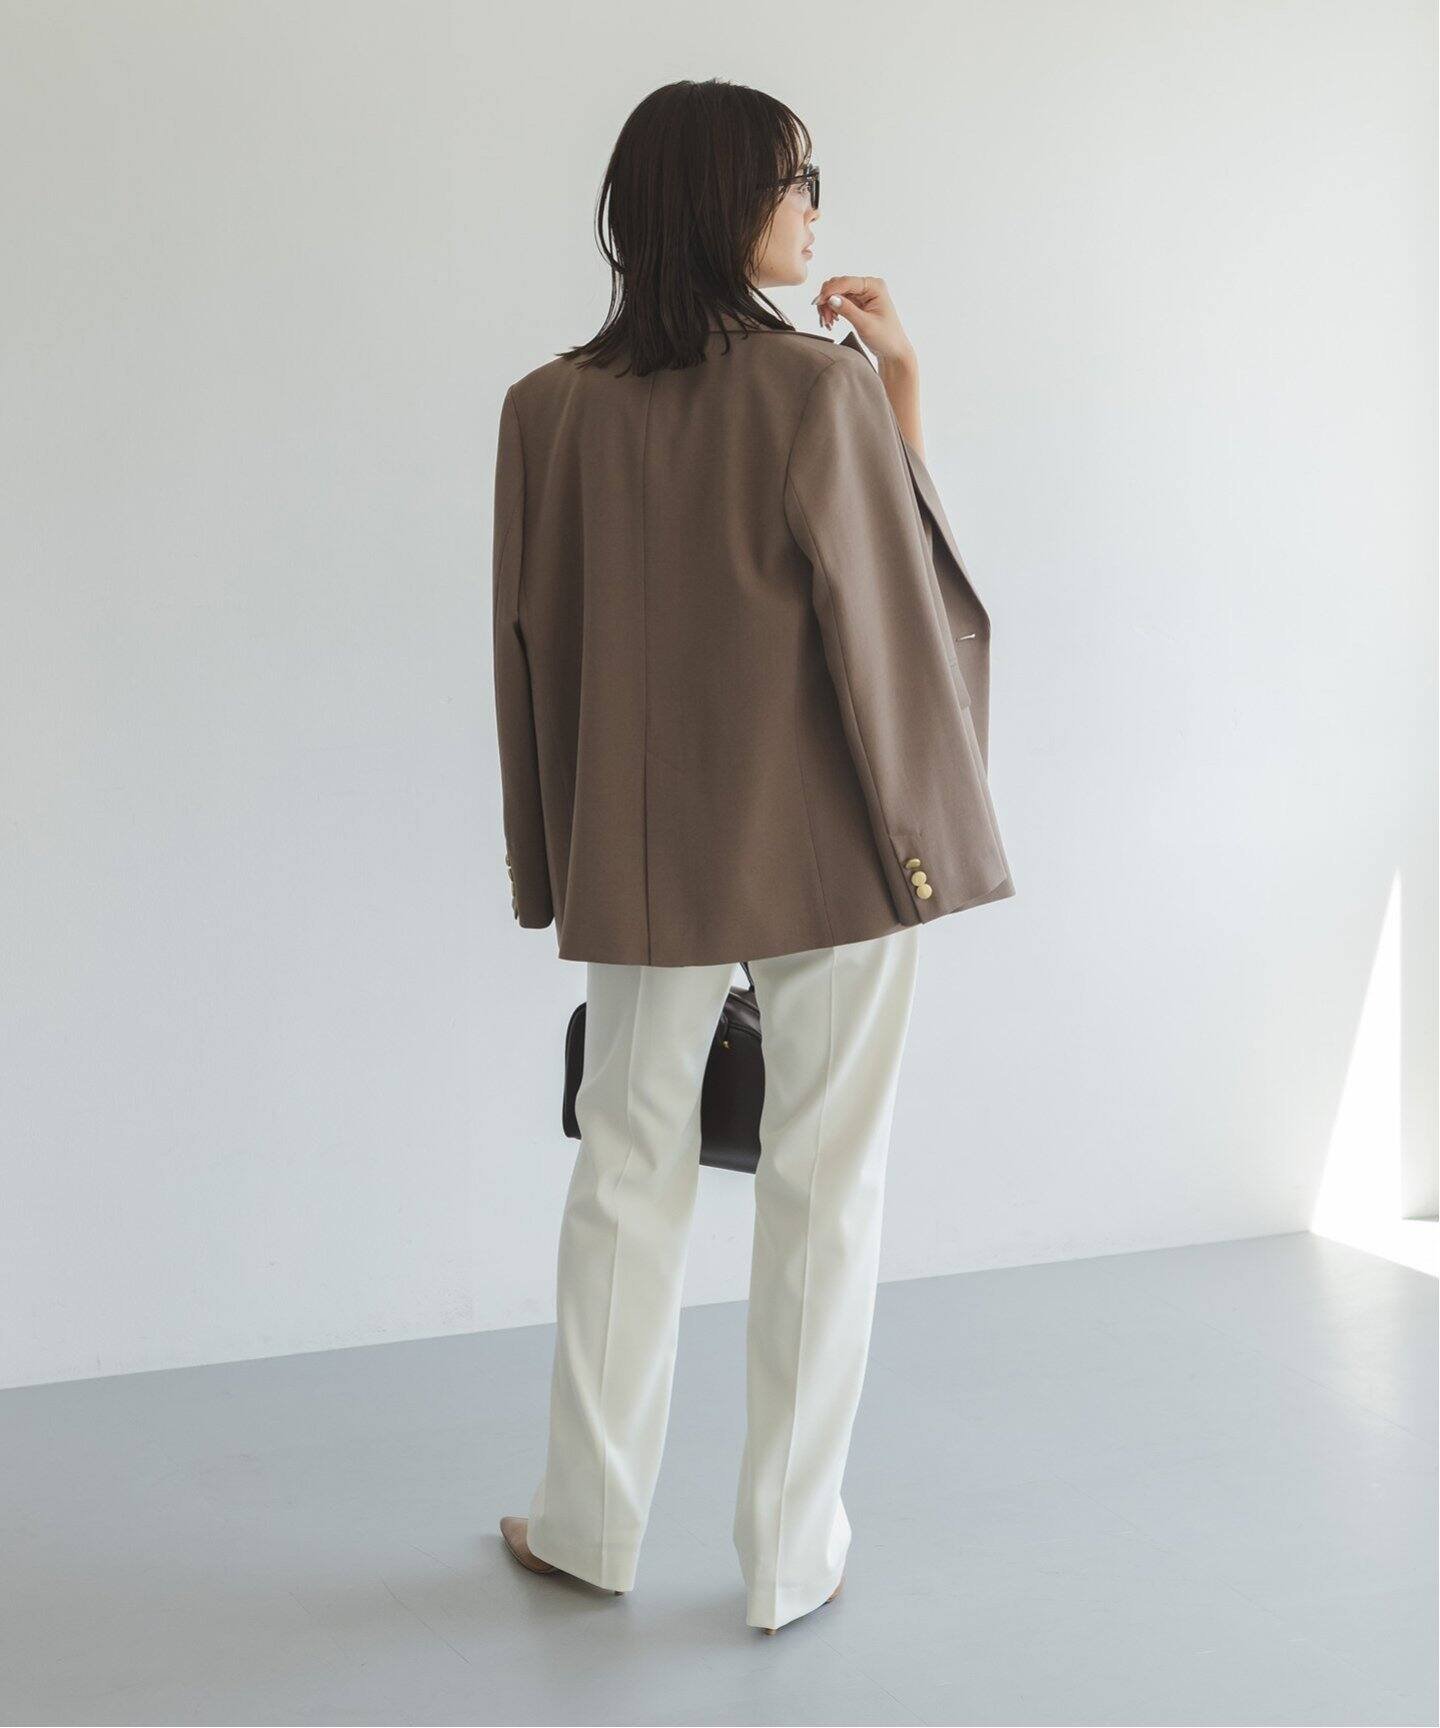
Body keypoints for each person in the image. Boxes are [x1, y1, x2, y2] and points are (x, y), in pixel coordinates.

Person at [493, 77, 1015, 1634]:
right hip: (832, 846)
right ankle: (790, 1558)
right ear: (730, 201)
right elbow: (899, 618)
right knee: (823, 1186)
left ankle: (587, 1526)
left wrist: (552, 858)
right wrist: (899, 395)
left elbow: (531, 655)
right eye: (798, 182)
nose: (813, 210)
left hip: (641, 852)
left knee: (623, 1173)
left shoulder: (545, 408)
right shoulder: (816, 390)